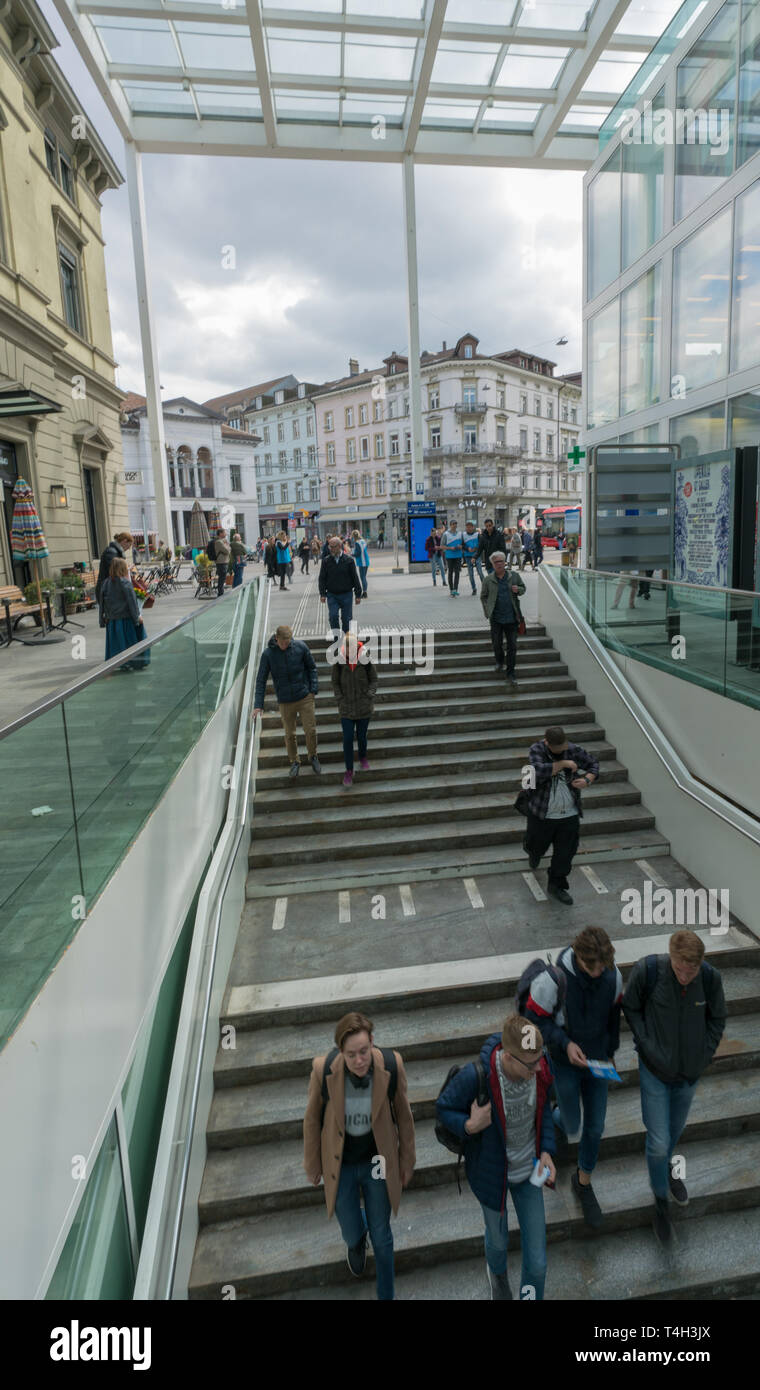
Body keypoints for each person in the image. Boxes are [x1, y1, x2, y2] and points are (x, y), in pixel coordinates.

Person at [435, 1012, 557, 1301]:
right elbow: (443, 1107)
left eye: (540, 1059)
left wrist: (547, 1150)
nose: (538, 1069)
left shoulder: (540, 1068)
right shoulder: (476, 1075)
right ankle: (497, 1272)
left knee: (538, 1264)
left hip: (529, 1172)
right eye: (530, 1064)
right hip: (491, 1174)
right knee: (498, 1240)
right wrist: (468, 1125)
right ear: (509, 1057)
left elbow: (545, 1113)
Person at [303, 1011, 415, 1302]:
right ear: (341, 1053)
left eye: (364, 1051)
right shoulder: (322, 1070)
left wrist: (406, 1161)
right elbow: (312, 1120)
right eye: (351, 1055)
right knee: (352, 1228)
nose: (359, 1060)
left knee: (382, 1234)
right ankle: (356, 1241)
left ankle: (385, 1294)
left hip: (377, 1160)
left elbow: (404, 1117)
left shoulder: (391, 1065)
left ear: (372, 1043)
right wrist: (312, 1163)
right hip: (341, 1163)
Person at [623, 931, 726, 1246]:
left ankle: (666, 1170)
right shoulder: (649, 971)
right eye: (680, 969)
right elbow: (631, 1007)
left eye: (690, 971)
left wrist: (702, 1056)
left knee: (672, 1132)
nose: (684, 976)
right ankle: (660, 1204)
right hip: (655, 1072)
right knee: (658, 1142)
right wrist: (646, 1045)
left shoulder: (709, 979)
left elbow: (717, 1019)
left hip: (688, 1076)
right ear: (671, 958)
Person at [523, 927, 622, 1230]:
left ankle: (583, 1181)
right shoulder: (554, 980)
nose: (598, 972)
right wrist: (565, 1044)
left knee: (595, 1127)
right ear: (578, 957)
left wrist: (610, 1052)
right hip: (564, 1062)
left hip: (596, 1063)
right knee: (572, 1124)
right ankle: (553, 1119)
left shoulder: (611, 976)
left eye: (602, 967)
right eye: (592, 967)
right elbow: (532, 1020)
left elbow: (614, 1017)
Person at [523, 725, 600, 905]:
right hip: (542, 813)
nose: (561, 750)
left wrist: (588, 779)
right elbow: (534, 772)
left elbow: (594, 764)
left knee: (566, 853)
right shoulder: (536, 750)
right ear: (546, 742)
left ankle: (557, 885)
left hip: (569, 814)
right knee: (536, 845)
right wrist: (564, 764)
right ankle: (533, 852)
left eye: (563, 747)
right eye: (557, 748)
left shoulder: (573, 750)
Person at [252, 623, 321, 778]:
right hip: (285, 701)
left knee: (310, 730)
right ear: (276, 639)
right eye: (283, 643)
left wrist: (313, 689)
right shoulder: (268, 655)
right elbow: (261, 680)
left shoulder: (300, 647)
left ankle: (313, 756)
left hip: (304, 697)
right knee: (289, 734)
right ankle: (294, 761)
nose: (285, 645)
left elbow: (312, 668)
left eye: (288, 642)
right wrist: (258, 705)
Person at [331, 630, 378, 788]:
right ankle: (349, 771)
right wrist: (340, 699)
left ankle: (363, 757)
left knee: (362, 736)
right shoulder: (339, 660)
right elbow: (335, 682)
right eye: (347, 650)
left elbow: (374, 679)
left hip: (363, 706)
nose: (349, 652)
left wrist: (369, 695)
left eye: (352, 650)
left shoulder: (365, 658)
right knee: (348, 739)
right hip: (346, 708)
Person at [479, 550, 525, 688]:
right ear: (492, 564)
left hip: (512, 617)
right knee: (497, 644)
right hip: (496, 618)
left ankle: (511, 673)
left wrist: (519, 590)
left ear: (505, 562)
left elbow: (523, 588)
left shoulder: (514, 576)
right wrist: (488, 611)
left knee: (512, 647)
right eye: (496, 562)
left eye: (501, 561)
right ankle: (499, 661)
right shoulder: (488, 580)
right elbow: (483, 596)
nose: (499, 564)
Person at [100, 556, 150, 671]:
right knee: (130, 641)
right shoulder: (125, 583)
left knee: (116, 643)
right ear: (122, 569)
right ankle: (134, 662)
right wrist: (137, 618)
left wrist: (102, 619)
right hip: (126, 619)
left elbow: (102, 603)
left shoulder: (106, 583)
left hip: (112, 620)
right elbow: (132, 603)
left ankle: (118, 663)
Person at [319, 537, 362, 634]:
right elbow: (322, 578)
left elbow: (355, 577)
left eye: (333, 547)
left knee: (347, 619)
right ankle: (337, 638)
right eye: (330, 547)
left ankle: (346, 639)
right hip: (332, 594)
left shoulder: (349, 560)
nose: (331, 549)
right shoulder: (326, 561)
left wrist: (358, 594)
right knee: (333, 616)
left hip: (346, 594)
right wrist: (322, 594)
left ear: (339, 546)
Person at [95, 531, 133, 606]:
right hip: (108, 591)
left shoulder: (114, 551)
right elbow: (114, 572)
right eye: (128, 546)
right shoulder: (111, 552)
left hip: (109, 589)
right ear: (124, 541)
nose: (128, 549)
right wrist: (126, 569)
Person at [441, 518, 464, 598]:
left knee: (457, 573)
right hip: (449, 556)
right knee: (450, 572)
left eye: (455, 524)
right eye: (453, 524)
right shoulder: (446, 534)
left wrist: (461, 546)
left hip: (458, 555)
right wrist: (450, 548)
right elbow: (442, 546)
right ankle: (451, 590)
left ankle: (455, 590)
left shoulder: (460, 534)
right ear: (450, 525)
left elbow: (463, 544)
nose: (455, 525)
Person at [462, 521, 484, 595]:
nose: (469, 528)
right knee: (471, 574)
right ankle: (474, 589)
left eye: (470, 527)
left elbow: (481, 544)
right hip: (468, 556)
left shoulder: (477, 534)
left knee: (480, 572)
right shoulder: (463, 535)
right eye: (467, 527)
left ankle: (485, 588)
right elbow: (462, 545)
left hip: (476, 555)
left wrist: (476, 548)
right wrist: (467, 548)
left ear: (473, 527)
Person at [351, 529, 370, 598]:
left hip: (361, 562)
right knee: (364, 577)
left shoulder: (357, 543)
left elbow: (358, 553)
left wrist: (352, 554)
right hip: (366, 561)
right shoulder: (363, 541)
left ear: (354, 536)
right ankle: (365, 591)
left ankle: (365, 592)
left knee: (363, 577)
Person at [214, 528, 231, 596]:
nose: (225, 534)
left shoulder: (222, 541)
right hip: (221, 562)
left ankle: (221, 593)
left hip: (223, 562)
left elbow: (228, 550)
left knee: (223, 578)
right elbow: (227, 551)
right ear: (220, 534)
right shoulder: (219, 542)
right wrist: (227, 545)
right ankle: (220, 594)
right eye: (224, 532)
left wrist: (227, 545)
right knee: (222, 578)